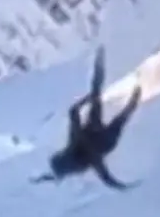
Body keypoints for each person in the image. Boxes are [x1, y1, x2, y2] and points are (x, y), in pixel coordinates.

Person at [33, 46, 141, 190]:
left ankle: (135, 87)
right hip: (103, 140)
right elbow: (107, 178)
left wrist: (90, 98)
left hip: (95, 134)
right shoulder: (84, 151)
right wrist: (90, 98)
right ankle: (136, 87)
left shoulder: (79, 150)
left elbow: (73, 113)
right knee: (119, 116)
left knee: (119, 115)